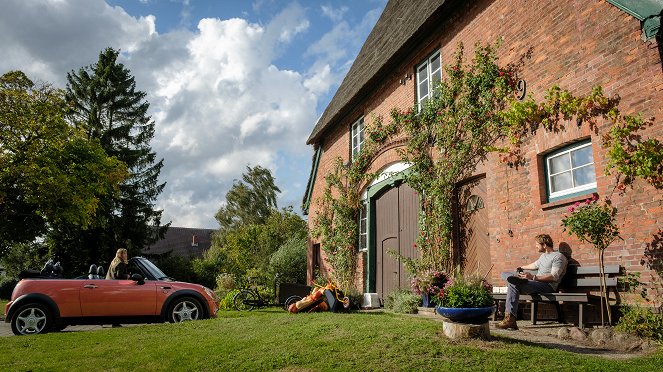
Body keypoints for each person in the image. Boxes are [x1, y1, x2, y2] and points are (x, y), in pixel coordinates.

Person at [495, 234, 568, 330]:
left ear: (544, 245)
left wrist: (533, 277)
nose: (536, 246)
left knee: (513, 283)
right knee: (505, 274)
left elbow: (554, 277)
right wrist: (521, 267)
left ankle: (510, 319)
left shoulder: (558, 257)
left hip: (547, 286)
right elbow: (534, 265)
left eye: (537, 244)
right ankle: (516, 280)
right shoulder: (543, 256)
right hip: (535, 284)